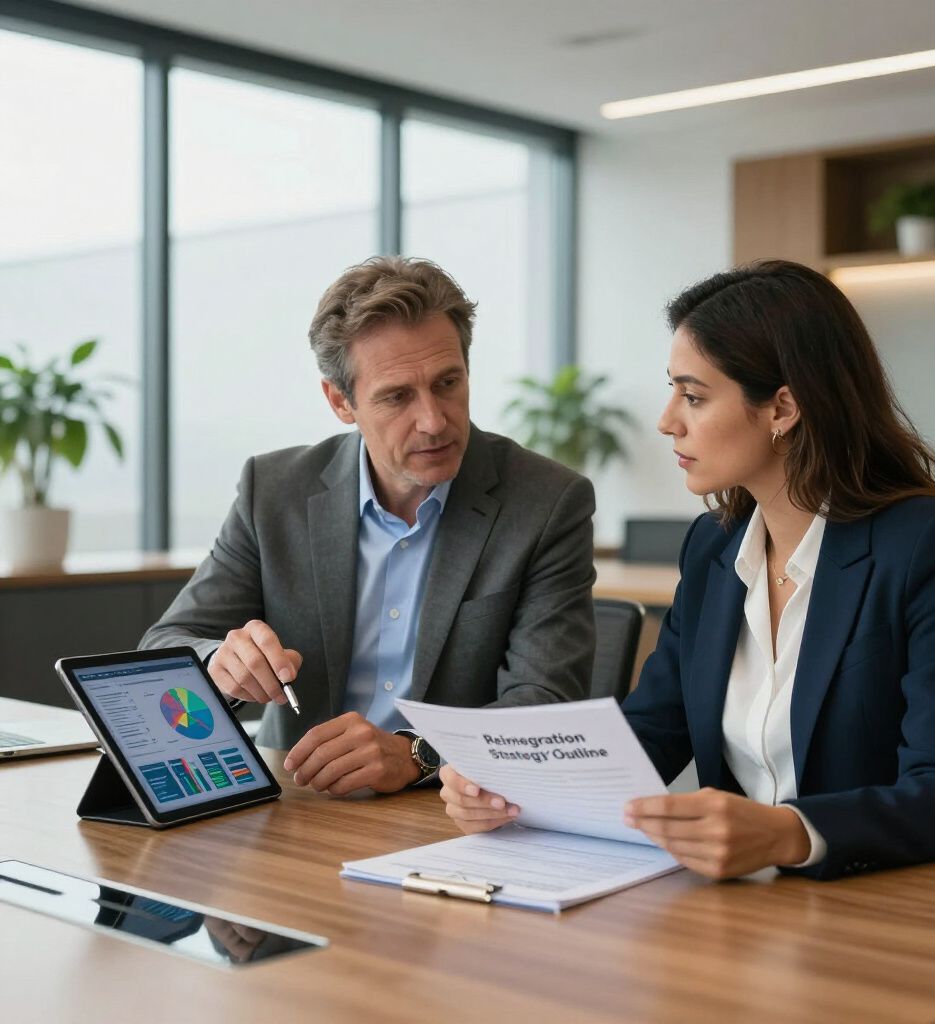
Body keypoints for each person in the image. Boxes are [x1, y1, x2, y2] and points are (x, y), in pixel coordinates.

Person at [439, 259, 935, 881]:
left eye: (693, 395)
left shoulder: (929, 546)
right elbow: (650, 733)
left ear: (783, 408)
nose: (668, 420)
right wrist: (513, 790)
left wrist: (791, 833)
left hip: (902, 906)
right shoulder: (714, 550)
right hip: (751, 908)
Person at [141, 256, 595, 798]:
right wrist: (220, 662)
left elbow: (546, 702)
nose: (433, 420)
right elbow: (163, 650)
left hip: (452, 815)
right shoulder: (275, 490)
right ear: (340, 402)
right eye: (397, 396)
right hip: (302, 806)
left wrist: (418, 753)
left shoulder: (545, 501)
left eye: (447, 383)